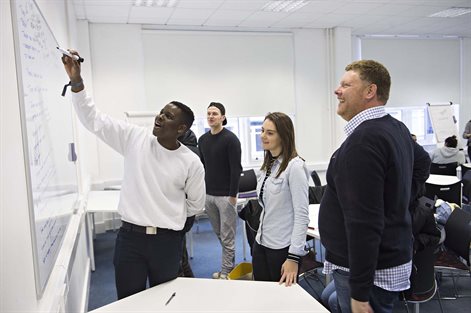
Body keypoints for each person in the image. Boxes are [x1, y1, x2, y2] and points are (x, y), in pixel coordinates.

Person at [61, 50, 205, 299]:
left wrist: (167, 216)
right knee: (128, 302)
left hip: (167, 242)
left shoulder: (191, 162)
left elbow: (195, 205)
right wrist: (76, 82)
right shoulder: (135, 138)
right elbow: (93, 119)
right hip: (130, 240)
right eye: (161, 111)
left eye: (168, 116)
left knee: (166, 302)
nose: (160, 117)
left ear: (181, 129)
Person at [319, 60, 430, 313]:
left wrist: (359, 291)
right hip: (376, 261)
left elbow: (363, 223)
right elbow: (423, 162)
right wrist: (399, 200)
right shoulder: (393, 127)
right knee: (330, 298)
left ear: (370, 91)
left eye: (346, 85)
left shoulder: (365, 141)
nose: (337, 90)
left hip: (369, 271)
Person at [253, 112, 309, 286]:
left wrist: (293, 257)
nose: (263, 136)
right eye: (262, 130)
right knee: (262, 295)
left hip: (282, 248)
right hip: (261, 242)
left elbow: (302, 216)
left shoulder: (295, 167)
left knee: (282, 302)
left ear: (283, 136)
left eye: (270, 133)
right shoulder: (268, 165)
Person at [198, 102, 242, 279]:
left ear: (223, 117)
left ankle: (226, 273)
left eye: (214, 113)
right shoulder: (202, 140)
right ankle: (229, 267)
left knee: (227, 236)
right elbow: (202, 168)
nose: (210, 116)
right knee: (220, 234)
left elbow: (236, 170)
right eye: (208, 113)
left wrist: (233, 196)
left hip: (225, 197)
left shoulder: (231, 139)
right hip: (209, 195)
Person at [177, 129, 201, 278]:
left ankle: (185, 283)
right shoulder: (195, 153)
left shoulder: (182, 155)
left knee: (178, 254)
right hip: (187, 211)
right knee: (181, 250)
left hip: (179, 211)